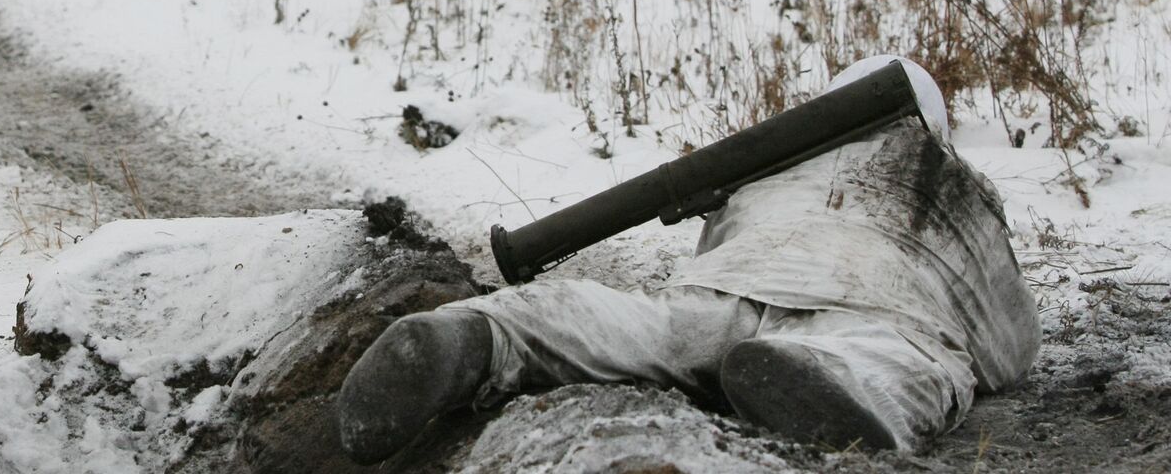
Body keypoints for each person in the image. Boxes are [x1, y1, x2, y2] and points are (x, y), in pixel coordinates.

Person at [336, 56, 1040, 461]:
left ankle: (489, 332)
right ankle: (831, 374)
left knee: (639, 325)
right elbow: (1005, 351)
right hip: (879, 311)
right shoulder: (958, 191)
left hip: (734, 287)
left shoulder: (773, 170)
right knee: (898, 362)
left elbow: (716, 245)